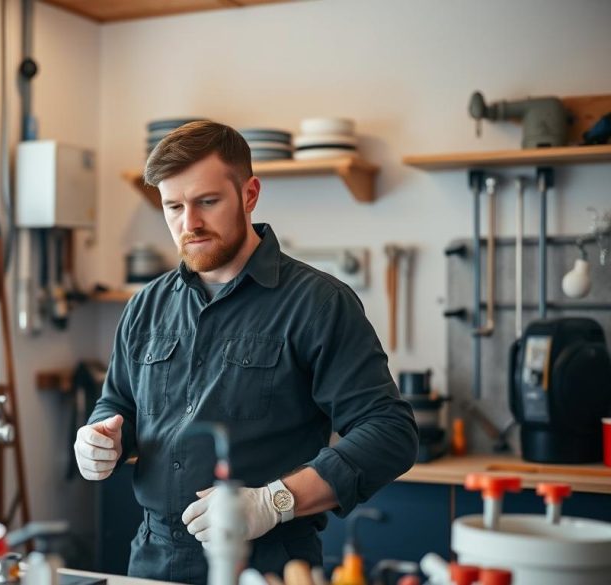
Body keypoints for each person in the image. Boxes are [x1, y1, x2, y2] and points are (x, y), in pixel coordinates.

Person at [74, 121, 418, 583]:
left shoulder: (317, 304)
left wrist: (273, 501)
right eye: (173, 207)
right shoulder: (145, 305)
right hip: (152, 561)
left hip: (268, 564)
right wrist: (100, 438)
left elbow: (390, 433)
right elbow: (119, 404)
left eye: (207, 202)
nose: (188, 223)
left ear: (250, 194)